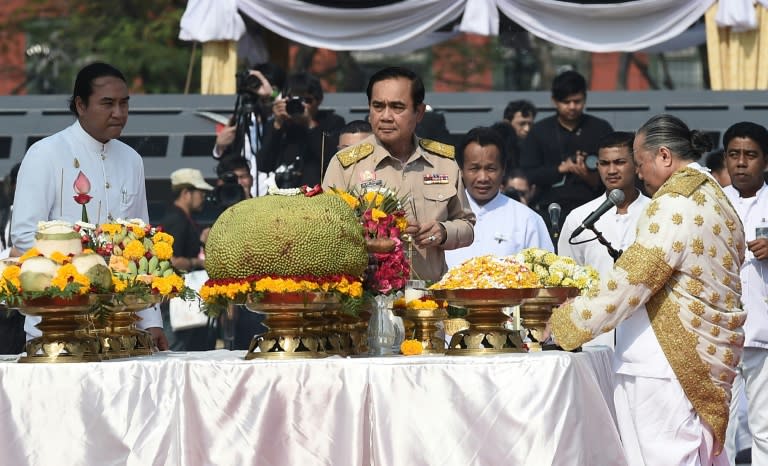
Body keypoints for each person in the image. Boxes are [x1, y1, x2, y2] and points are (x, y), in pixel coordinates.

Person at [551, 114, 745, 465]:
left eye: (640, 164)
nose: (638, 174)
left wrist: (565, 323)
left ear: (665, 156)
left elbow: (631, 281)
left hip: (663, 362)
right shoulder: (716, 195)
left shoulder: (673, 204)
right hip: (703, 354)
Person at [11, 62, 167, 349]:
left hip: (123, 324)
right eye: (107, 104)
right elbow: (24, 236)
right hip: (60, 322)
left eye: (124, 104)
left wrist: (151, 319)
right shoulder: (46, 154)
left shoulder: (132, 159)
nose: (118, 113)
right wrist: (84, 270)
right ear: (80, 105)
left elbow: (142, 242)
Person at [322, 66, 475, 282]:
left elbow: (467, 225)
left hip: (428, 300)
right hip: (367, 299)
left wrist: (442, 232)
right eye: (378, 106)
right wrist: (375, 237)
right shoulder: (346, 164)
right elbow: (326, 232)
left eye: (397, 107)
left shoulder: (443, 162)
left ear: (419, 112)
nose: (385, 116)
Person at [557, 131, 650, 349]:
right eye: (604, 163)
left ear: (636, 165)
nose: (611, 170)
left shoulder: (655, 212)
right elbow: (567, 279)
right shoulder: (580, 218)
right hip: (593, 336)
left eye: (619, 162)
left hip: (645, 334)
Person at [722, 122, 768, 466]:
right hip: (719, 332)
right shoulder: (712, 202)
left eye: (750, 155)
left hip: (764, 332)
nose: (741, 163)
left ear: (765, 161)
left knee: (764, 428)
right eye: (734, 155)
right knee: (718, 426)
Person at [445, 126, 552, 269]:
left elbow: (545, 275)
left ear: (503, 169)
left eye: (491, 169)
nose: (483, 178)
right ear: (461, 170)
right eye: (474, 169)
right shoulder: (442, 214)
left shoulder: (528, 219)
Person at [520, 70, 613, 220]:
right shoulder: (539, 131)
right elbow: (528, 174)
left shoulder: (600, 128)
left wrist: (591, 177)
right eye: (566, 102)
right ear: (554, 101)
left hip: (594, 210)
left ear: (585, 98)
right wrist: (561, 169)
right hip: (550, 209)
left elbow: (616, 169)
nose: (572, 107)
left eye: (577, 101)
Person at [160, 168, 216, 351]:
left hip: (186, 302)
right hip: (177, 303)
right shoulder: (176, 219)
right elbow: (172, 260)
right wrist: (198, 263)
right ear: (186, 193)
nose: (204, 197)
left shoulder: (183, 218)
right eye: (201, 192)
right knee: (177, 352)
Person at [258, 72, 345, 188]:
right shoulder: (278, 125)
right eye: (292, 100)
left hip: (316, 196)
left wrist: (310, 123)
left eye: (306, 100)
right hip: (282, 196)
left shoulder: (332, 122)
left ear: (319, 100)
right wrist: (277, 124)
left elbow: (332, 160)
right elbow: (264, 165)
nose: (299, 105)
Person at [213, 63, 285, 197]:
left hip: (276, 197)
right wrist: (220, 147)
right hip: (243, 196)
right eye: (258, 86)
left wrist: (273, 95)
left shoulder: (287, 120)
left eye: (269, 87)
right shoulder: (244, 120)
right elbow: (230, 162)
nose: (262, 92)